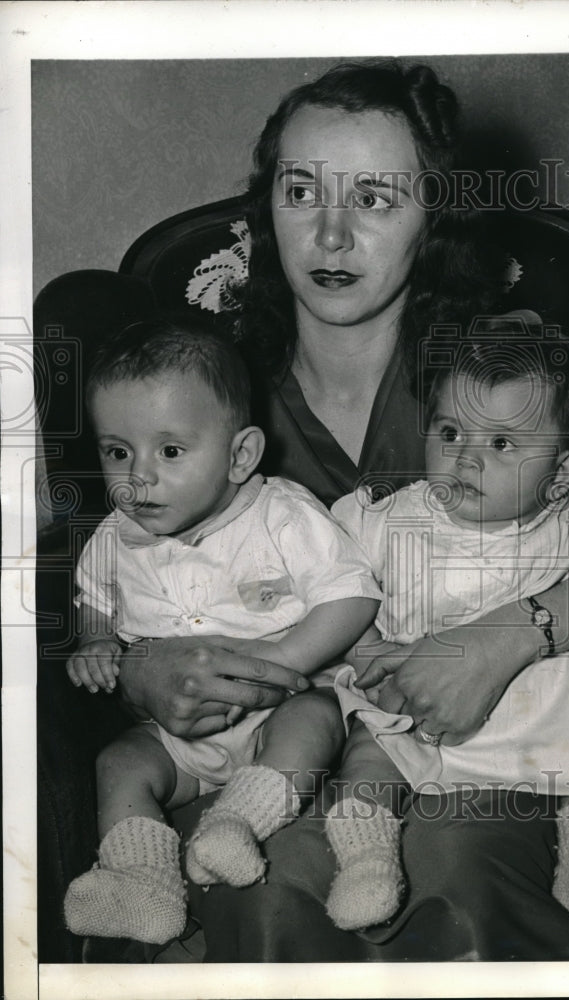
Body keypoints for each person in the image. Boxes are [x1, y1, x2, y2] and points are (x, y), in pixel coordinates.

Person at [114, 61, 569, 960]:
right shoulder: (209, 398)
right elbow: (113, 560)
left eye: (374, 198)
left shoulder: (495, 388)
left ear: (433, 221)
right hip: (272, 773)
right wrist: (138, 665)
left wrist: (508, 636)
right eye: (302, 192)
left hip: (502, 767)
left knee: (463, 888)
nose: (330, 232)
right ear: (269, 211)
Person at [321, 332, 569, 944]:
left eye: (502, 443)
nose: (465, 459)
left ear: (563, 474)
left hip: (542, 700)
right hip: (414, 691)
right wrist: (370, 648)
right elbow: (331, 584)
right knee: (370, 753)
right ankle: (365, 860)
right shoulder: (391, 517)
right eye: (450, 433)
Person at [62, 318, 380, 944]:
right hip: (183, 737)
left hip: (280, 709)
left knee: (316, 719)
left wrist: (279, 657)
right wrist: (95, 640)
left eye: (170, 452)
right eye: (117, 451)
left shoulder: (280, 514)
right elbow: (93, 598)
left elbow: (351, 596)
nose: (137, 477)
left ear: (240, 455)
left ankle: (235, 822)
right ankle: (141, 879)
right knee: (121, 760)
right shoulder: (115, 535)